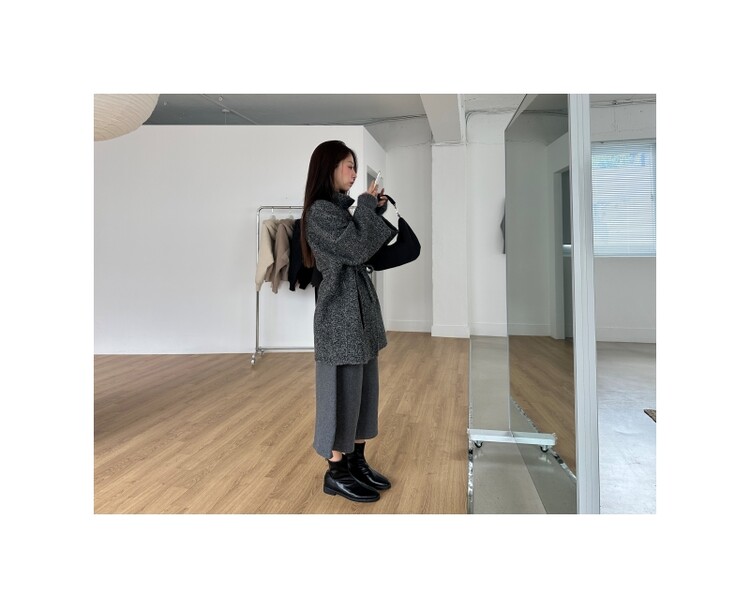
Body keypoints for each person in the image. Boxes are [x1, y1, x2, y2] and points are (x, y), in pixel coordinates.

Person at [300, 140, 397, 503]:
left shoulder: (341, 210)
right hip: (339, 315)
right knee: (339, 393)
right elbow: (355, 248)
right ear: (329, 168)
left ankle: (356, 460)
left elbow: (367, 246)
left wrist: (375, 209)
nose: (355, 174)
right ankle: (336, 471)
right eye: (349, 166)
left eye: (355, 167)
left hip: (359, 314)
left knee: (363, 391)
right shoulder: (319, 213)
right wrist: (367, 208)